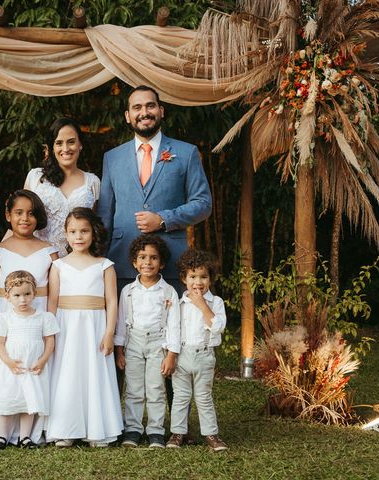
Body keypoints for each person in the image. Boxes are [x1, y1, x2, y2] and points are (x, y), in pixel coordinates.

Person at [98, 85, 212, 293]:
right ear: (127, 115)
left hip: (171, 262)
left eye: (150, 106)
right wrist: (99, 262)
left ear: (161, 111)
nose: (144, 113)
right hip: (122, 262)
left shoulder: (186, 153)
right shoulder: (112, 158)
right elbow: (105, 215)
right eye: (137, 107)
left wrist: (162, 219)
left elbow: (203, 204)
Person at [46, 207, 123, 447]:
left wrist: (109, 333)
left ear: (93, 233)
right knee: (68, 372)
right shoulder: (59, 266)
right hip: (66, 325)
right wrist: (50, 333)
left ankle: (96, 427)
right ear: (66, 235)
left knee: (93, 371)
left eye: (84, 231)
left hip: (95, 326)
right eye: (73, 231)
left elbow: (112, 301)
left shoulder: (105, 265)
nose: (79, 236)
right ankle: (66, 429)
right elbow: (52, 301)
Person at [114, 234, 180, 448]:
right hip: (133, 342)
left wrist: (171, 354)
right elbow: (121, 321)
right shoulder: (128, 291)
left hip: (158, 343)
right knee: (133, 388)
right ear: (134, 262)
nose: (147, 262)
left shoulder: (168, 291)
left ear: (161, 263)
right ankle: (133, 429)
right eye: (142, 257)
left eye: (153, 258)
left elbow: (173, 324)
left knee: (155, 387)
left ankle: (155, 431)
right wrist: (119, 350)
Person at [0, 271, 59, 450]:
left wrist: (42, 360)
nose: (23, 300)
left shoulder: (44, 317)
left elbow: (50, 341)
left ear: (34, 294)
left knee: (29, 400)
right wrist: (8, 361)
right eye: (17, 295)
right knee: (8, 398)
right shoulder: (3, 318)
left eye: (27, 294)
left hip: (33, 366)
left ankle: (25, 437)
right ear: (8, 297)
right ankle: (2, 436)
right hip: (11, 367)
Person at [166, 249, 228, 452]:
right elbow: (172, 329)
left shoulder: (215, 303)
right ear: (184, 279)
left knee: (203, 396)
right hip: (182, 355)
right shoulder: (178, 302)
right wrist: (171, 355)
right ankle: (178, 433)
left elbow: (218, 326)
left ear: (210, 279)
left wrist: (202, 305)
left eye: (203, 277)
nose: (198, 282)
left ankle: (211, 434)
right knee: (181, 396)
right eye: (193, 277)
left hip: (204, 355)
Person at [24, 117, 101, 257]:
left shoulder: (92, 182)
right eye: (59, 143)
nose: (65, 149)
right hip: (39, 258)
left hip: (76, 263)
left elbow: (94, 229)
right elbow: (21, 220)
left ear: (80, 145)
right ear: (52, 148)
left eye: (71, 142)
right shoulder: (35, 177)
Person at [0, 190, 58, 314]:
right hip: (6, 317)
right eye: (19, 213)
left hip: (40, 317)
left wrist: (51, 322)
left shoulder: (49, 252)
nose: (25, 218)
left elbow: (55, 293)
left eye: (31, 213)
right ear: (8, 215)